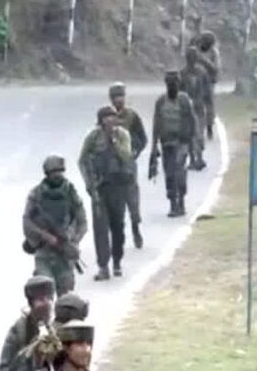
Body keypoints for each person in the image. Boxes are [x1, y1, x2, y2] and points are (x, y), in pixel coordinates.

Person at [79, 106, 133, 281]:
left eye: (112, 117)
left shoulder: (122, 135)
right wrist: (89, 184)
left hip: (118, 187)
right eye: (106, 117)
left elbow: (126, 157)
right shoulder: (93, 137)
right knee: (100, 229)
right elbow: (82, 160)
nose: (109, 120)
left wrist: (114, 142)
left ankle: (117, 261)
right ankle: (103, 266)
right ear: (100, 120)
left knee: (118, 226)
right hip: (100, 188)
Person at [23, 156, 88, 295]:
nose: (57, 175)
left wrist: (72, 239)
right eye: (54, 171)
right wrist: (44, 236)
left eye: (60, 171)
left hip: (64, 253)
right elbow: (27, 223)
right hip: (43, 252)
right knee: (43, 291)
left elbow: (82, 222)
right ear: (47, 173)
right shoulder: (36, 194)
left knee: (66, 295)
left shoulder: (70, 192)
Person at [150, 70, 197, 217]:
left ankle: (181, 201)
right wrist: (154, 146)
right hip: (166, 144)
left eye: (174, 83)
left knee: (179, 172)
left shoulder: (184, 100)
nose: (172, 85)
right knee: (169, 174)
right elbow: (156, 123)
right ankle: (173, 204)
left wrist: (192, 144)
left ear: (178, 83)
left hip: (181, 142)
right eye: (169, 83)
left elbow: (192, 121)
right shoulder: (161, 102)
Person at [109, 82, 148, 249]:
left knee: (132, 199)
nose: (119, 101)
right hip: (111, 167)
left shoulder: (132, 116)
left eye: (121, 97)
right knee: (115, 202)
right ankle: (120, 234)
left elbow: (142, 138)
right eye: (115, 98)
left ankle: (136, 228)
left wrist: (134, 152)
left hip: (128, 165)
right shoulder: (106, 117)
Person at [180, 46, 209, 170]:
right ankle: (196, 159)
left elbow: (206, 90)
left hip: (195, 107)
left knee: (194, 134)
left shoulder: (188, 73)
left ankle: (196, 158)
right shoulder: (186, 73)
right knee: (194, 134)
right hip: (192, 107)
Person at [194, 31, 220, 140]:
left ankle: (209, 126)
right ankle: (196, 127)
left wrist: (204, 60)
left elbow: (216, 68)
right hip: (196, 81)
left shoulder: (214, 53)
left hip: (209, 81)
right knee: (195, 103)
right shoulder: (196, 50)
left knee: (209, 105)